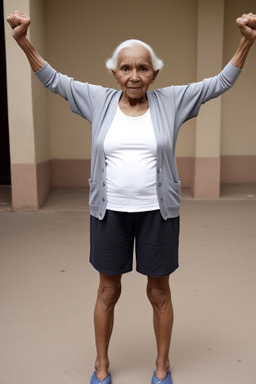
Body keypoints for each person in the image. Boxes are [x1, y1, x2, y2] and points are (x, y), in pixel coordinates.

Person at [7, 10, 256, 384]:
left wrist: (246, 40)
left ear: (154, 73)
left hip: (159, 213)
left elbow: (218, 83)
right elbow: (54, 80)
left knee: (159, 292)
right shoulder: (98, 100)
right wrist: (24, 40)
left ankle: (161, 366)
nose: (134, 76)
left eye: (142, 68)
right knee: (108, 289)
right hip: (109, 213)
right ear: (114, 73)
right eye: (126, 68)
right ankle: (101, 366)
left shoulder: (172, 101)